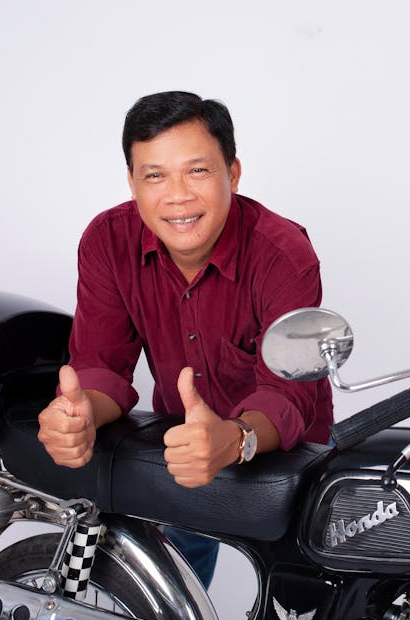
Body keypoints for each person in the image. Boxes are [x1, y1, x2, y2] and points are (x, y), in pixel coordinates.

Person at [36, 91, 333, 587]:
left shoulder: (284, 254)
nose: (177, 196)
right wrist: (82, 412)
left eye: (197, 171)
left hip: (284, 456)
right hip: (181, 452)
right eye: (155, 175)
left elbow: (289, 394)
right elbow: (104, 367)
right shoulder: (107, 241)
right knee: (163, 595)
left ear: (232, 173)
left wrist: (235, 438)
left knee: (300, 604)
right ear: (132, 182)